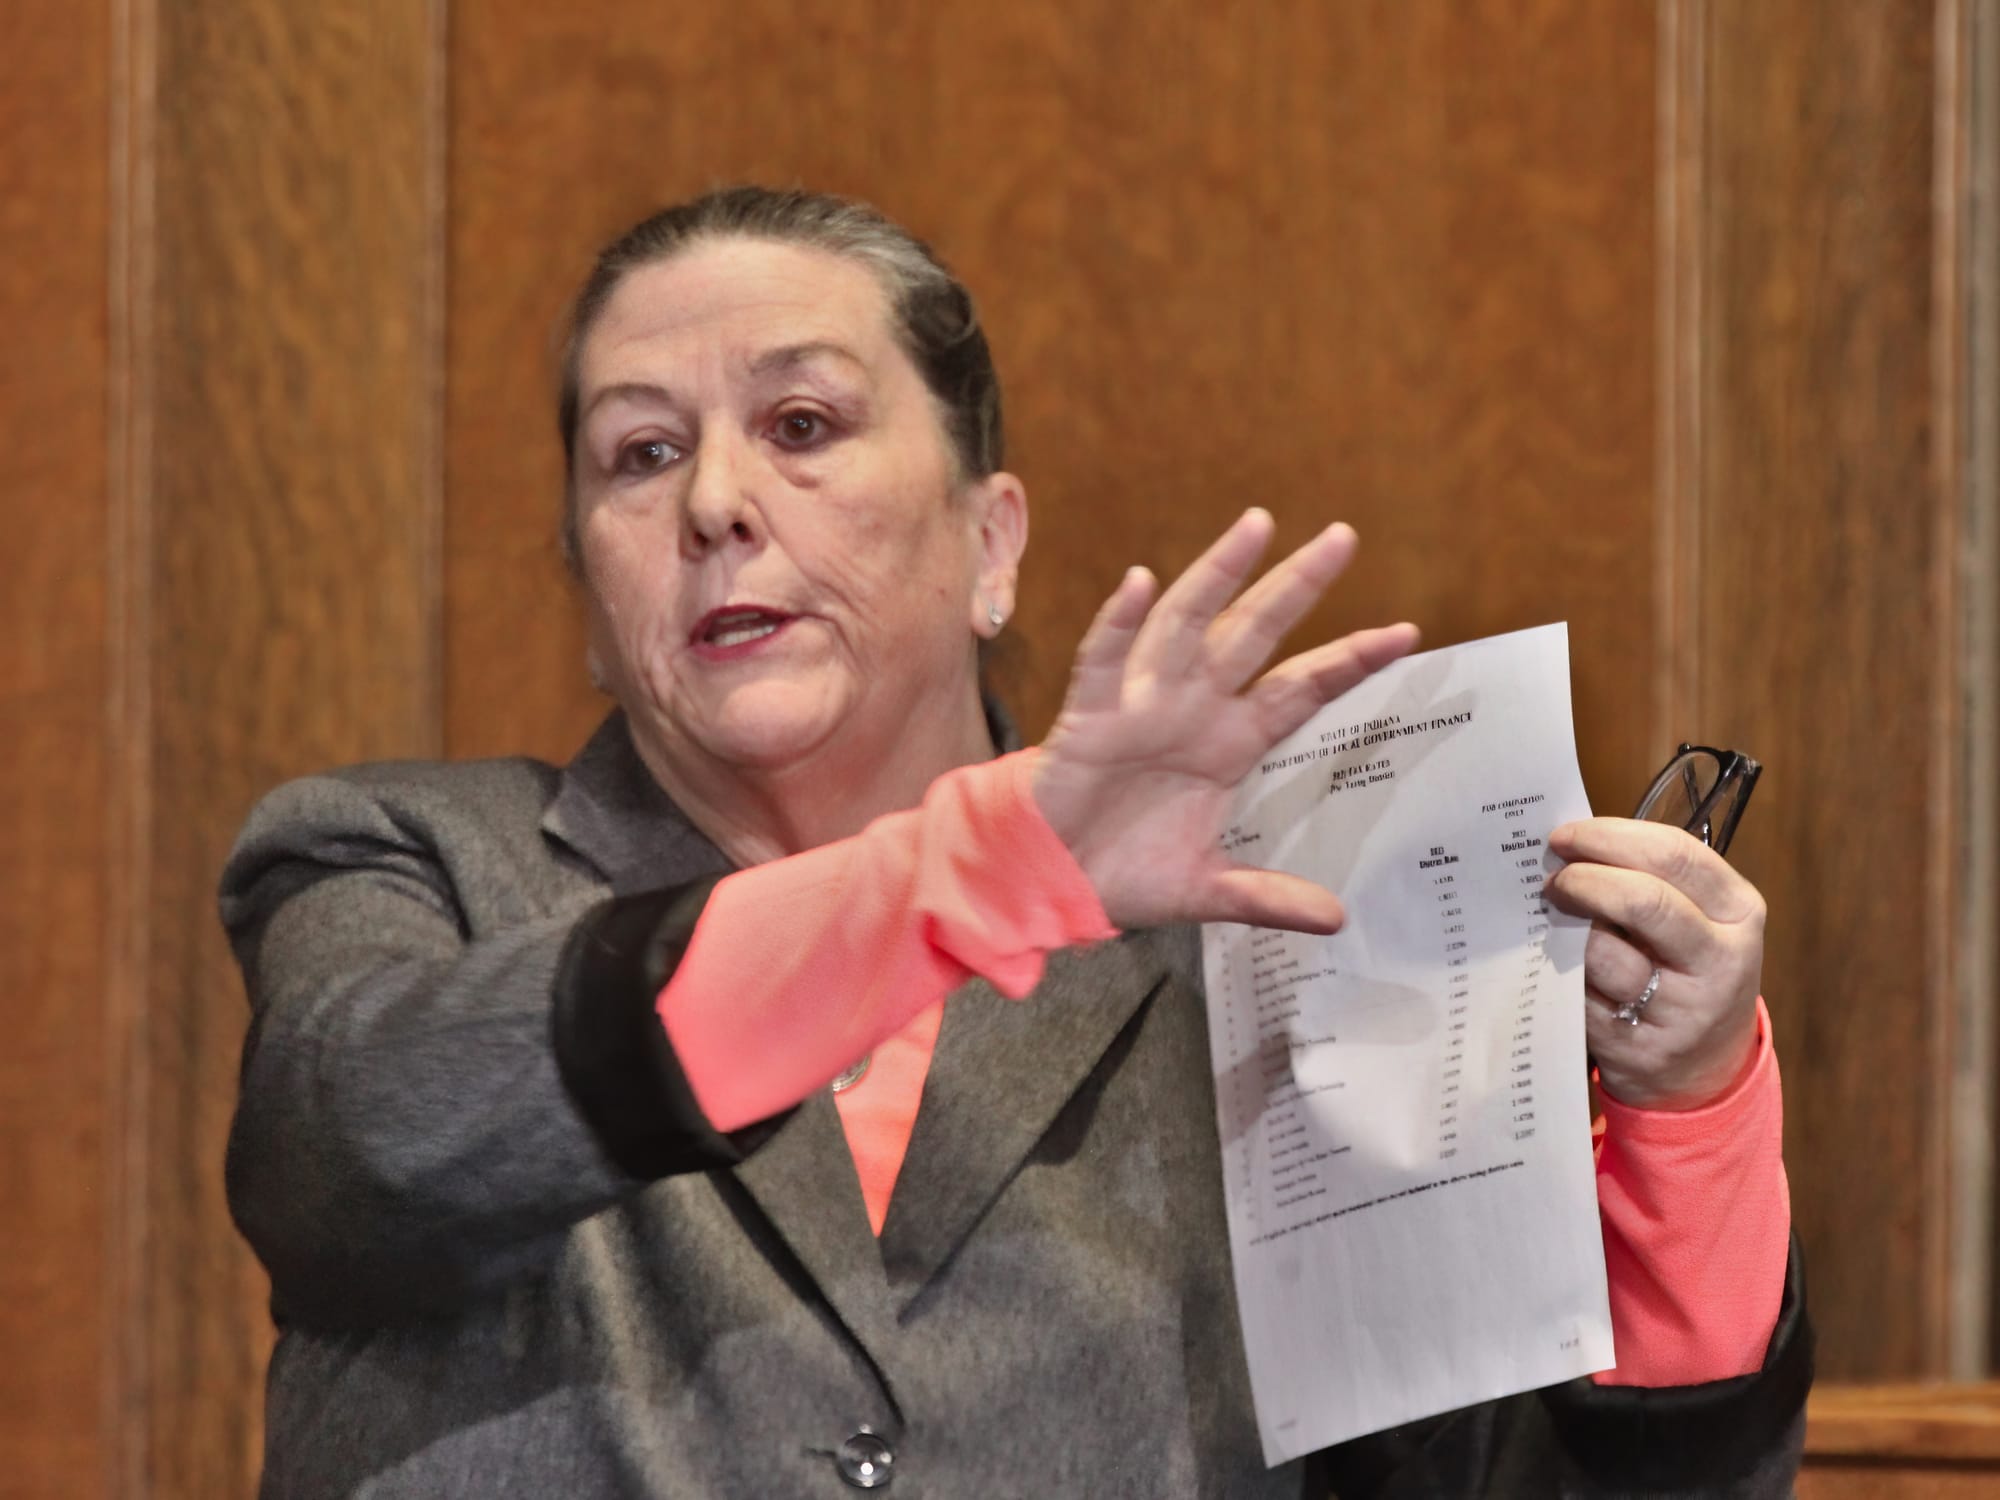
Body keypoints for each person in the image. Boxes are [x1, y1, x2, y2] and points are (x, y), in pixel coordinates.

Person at [220, 186, 1809, 1498]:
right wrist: (973, 874)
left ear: (991, 544)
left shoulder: (1263, 952)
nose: (714, 501)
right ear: (588, 582)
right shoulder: (405, 861)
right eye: (641, 453)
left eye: (800, 423)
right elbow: (361, 1144)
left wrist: (1689, 1116)